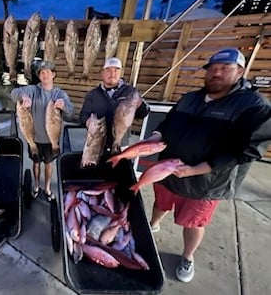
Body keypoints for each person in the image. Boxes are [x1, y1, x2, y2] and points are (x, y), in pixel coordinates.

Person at [141, 48, 271, 283]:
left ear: (240, 71)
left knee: (193, 222)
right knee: (161, 202)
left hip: (205, 183)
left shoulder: (253, 106)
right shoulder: (190, 98)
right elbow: (168, 123)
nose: (216, 73)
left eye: (224, 68)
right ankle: (154, 225)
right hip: (169, 171)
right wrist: (155, 137)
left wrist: (195, 169)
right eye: (212, 69)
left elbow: (247, 151)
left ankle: (188, 256)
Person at [11, 60, 74, 201]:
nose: (45, 75)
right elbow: (14, 93)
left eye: (48, 72)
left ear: (53, 75)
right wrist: (23, 96)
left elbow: (71, 112)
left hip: (51, 139)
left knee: (48, 164)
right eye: (42, 73)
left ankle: (47, 187)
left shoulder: (60, 94)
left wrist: (64, 106)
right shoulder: (32, 90)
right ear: (39, 76)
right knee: (36, 163)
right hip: (34, 138)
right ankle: (36, 186)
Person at [79, 57, 150, 150]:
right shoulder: (92, 94)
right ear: (102, 73)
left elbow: (144, 113)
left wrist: (140, 105)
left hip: (122, 144)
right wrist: (87, 122)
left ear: (121, 73)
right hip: (96, 143)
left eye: (116, 70)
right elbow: (83, 116)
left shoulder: (131, 92)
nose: (112, 74)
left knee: (120, 164)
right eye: (108, 70)